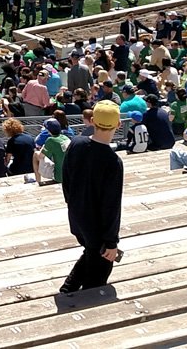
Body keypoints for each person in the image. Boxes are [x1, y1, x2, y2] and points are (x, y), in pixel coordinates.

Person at [60, 101, 124, 294]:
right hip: (99, 228)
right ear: (118, 124)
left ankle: (67, 290)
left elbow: (66, 181)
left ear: (92, 121)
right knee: (98, 277)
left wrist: (73, 204)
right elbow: (111, 206)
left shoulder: (76, 143)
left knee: (90, 252)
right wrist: (112, 243)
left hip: (77, 218)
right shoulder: (113, 162)